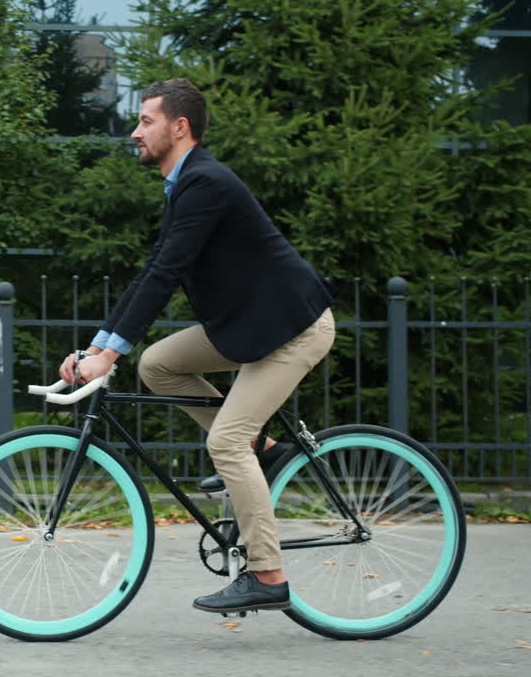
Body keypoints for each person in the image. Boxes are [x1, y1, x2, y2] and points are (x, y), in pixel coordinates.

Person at [59, 79, 336, 613]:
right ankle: (268, 453)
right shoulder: (187, 186)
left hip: (292, 328)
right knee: (159, 363)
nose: (134, 131)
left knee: (225, 442)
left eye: (145, 121)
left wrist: (105, 358)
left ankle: (269, 575)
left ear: (178, 127)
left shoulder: (206, 182)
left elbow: (166, 275)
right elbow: (152, 275)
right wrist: (98, 347)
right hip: (251, 325)